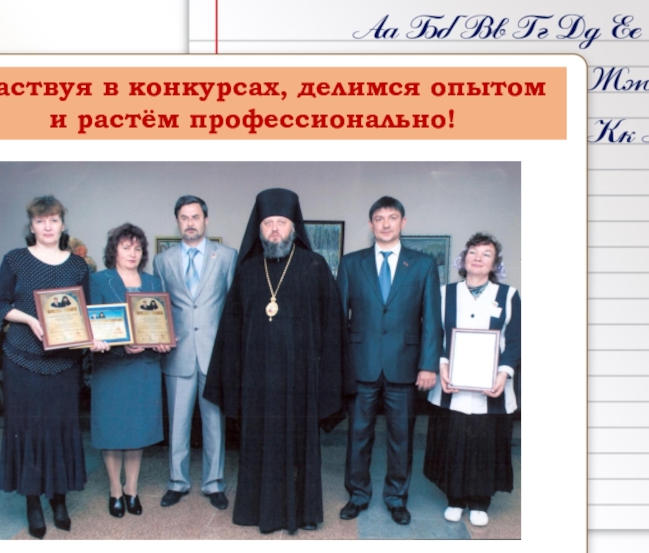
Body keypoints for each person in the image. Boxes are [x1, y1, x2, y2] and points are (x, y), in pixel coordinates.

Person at [204, 188, 355, 534]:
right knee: (259, 443)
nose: (274, 229)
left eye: (281, 222)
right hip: (257, 380)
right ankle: (256, 511)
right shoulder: (247, 271)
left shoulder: (314, 266)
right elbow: (231, 330)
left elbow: (332, 328)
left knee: (300, 443)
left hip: (301, 379)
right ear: (258, 228)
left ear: (293, 227)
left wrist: (326, 377)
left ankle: (303, 513)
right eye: (268, 223)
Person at [0, 195, 92, 539]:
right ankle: (32, 500)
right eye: (40, 221)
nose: (47, 227)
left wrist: (96, 335)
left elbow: (85, 312)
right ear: (31, 225)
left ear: (63, 224)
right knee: (29, 429)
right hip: (23, 358)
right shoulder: (15, 260)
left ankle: (59, 498)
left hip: (64, 362)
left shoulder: (77, 266)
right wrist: (31, 320)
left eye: (53, 220)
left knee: (61, 428)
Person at [337, 196, 441, 525]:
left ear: (403, 222)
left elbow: (431, 319)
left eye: (392, 217)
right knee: (358, 435)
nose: (385, 224)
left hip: (405, 366)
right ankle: (358, 494)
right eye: (379, 218)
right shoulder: (351, 263)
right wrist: (341, 365)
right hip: (361, 364)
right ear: (370, 225)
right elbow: (338, 318)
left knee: (401, 438)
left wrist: (428, 364)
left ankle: (396, 498)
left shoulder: (423, 264)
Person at [424, 232, 521, 527]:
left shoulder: (508, 295)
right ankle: (454, 499)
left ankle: (480, 502)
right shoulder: (444, 294)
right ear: (463, 259)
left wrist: (504, 372)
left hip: (492, 386)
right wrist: (442, 365)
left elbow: (516, 340)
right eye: (473, 252)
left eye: (486, 254)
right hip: (451, 384)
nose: (478, 258)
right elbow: (434, 333)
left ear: (495, 264)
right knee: (453, 440)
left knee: (486, 442)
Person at [153, 195, 237, 510]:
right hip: (178, 353)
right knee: (178, 423)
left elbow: (232, 308)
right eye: (184, 217)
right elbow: (159, 307)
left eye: (195, 217)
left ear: (206, 220)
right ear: (178, 221)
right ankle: (177, 482)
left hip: (214, 354)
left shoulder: (226, 256)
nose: (190, 223)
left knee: (214, 422)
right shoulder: (163, 260)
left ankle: (214, 483)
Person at [89, 223, 170, 519]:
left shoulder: (153, 282)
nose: (132, 253)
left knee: (136, 432)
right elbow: (93, 326)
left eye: (137, 248)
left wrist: (163, 341)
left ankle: (131, 490)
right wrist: (121, 346)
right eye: (126, 247)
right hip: (111, 369)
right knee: (112, 432)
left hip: (144, 368)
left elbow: (161, 322)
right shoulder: (99, 281)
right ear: (114, 250)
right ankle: (115, 490)